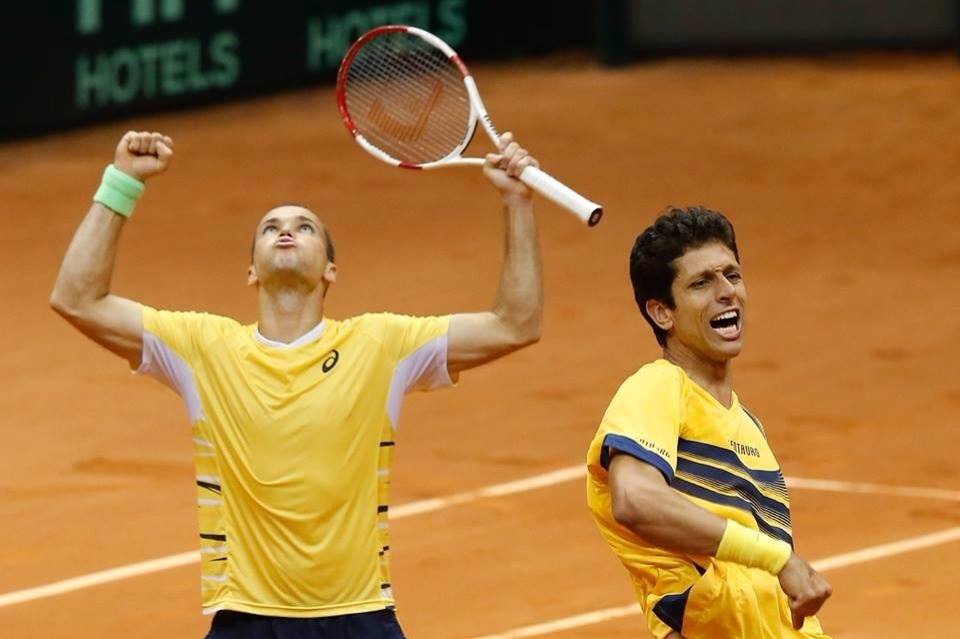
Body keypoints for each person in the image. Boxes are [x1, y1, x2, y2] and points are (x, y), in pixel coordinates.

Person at [50, 130, 543, 638]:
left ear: (331, 270)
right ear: (250, 271)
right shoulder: (202, 348)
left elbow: (515, 324)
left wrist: (515, 201)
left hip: (361, 616)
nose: (286, 232)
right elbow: (77, 298)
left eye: (304, 227)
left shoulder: (381, 344)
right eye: (271, 228)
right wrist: (121, 182)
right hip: (246, 619)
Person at [585, 207, 832, 639]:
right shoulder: (657, 386)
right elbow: (634, 498)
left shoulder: (747, 425)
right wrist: (776, 558)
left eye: (732, 276)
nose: (726, 292)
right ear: (663, 313)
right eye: (701, 283)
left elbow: (762, 594)